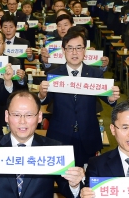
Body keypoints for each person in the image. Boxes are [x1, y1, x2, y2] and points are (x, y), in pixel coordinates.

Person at [38, 30, 120, 167]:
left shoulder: (95, 74)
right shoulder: (54, 74)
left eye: (78, 48)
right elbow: (45, 100)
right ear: (63, 50)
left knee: (86, 178)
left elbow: (109, 100)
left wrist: (111, 98)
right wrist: (41, 95)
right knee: (60, 178)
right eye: (70, 48)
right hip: (60, 134)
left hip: (88, 135)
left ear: (84, 51)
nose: (74, 53)